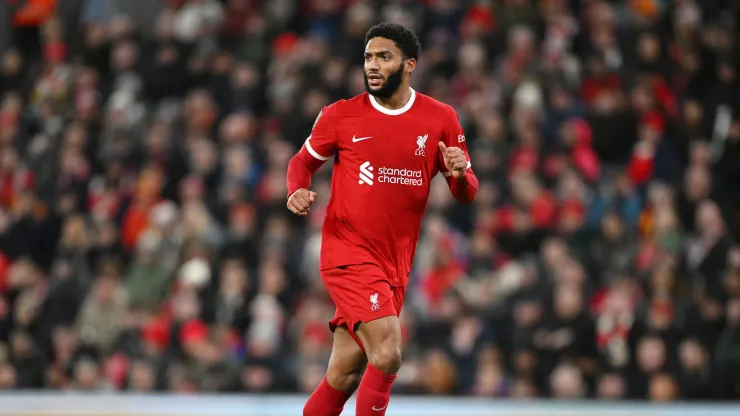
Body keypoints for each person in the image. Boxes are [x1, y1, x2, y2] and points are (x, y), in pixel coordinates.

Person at [286, 22, 478, 415]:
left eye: (383, 57)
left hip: (396, 262)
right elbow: (301, 162)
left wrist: (459, 174)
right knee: (388, 352)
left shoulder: (440, 118)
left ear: (409, 64)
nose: (372, 65)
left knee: (343, 373)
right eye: (368, 57)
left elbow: (468, 192)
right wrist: (296, 190)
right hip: (347, 250)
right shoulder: (341, 115)